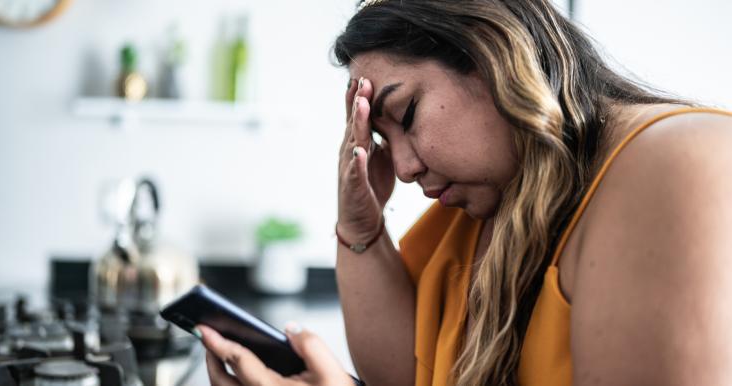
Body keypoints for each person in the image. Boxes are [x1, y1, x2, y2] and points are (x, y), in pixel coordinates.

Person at [198, 0, 732, 385]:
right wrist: (360, 224)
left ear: (493, 52)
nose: (403, 168)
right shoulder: (491, 205)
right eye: (383, 138)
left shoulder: (678, 162)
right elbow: (404, 379)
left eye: (407, 113)